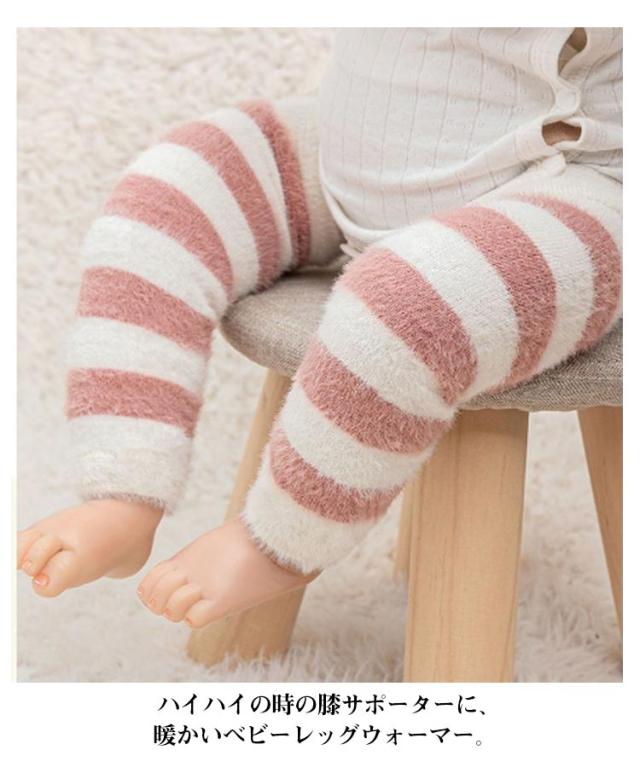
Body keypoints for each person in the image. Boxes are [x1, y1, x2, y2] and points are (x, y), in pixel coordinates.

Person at [17, 28, 622, 630]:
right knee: (162, 204)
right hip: (363, 153)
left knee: (411, 307)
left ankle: (285, 541)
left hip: (573, 190)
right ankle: (124, 486)